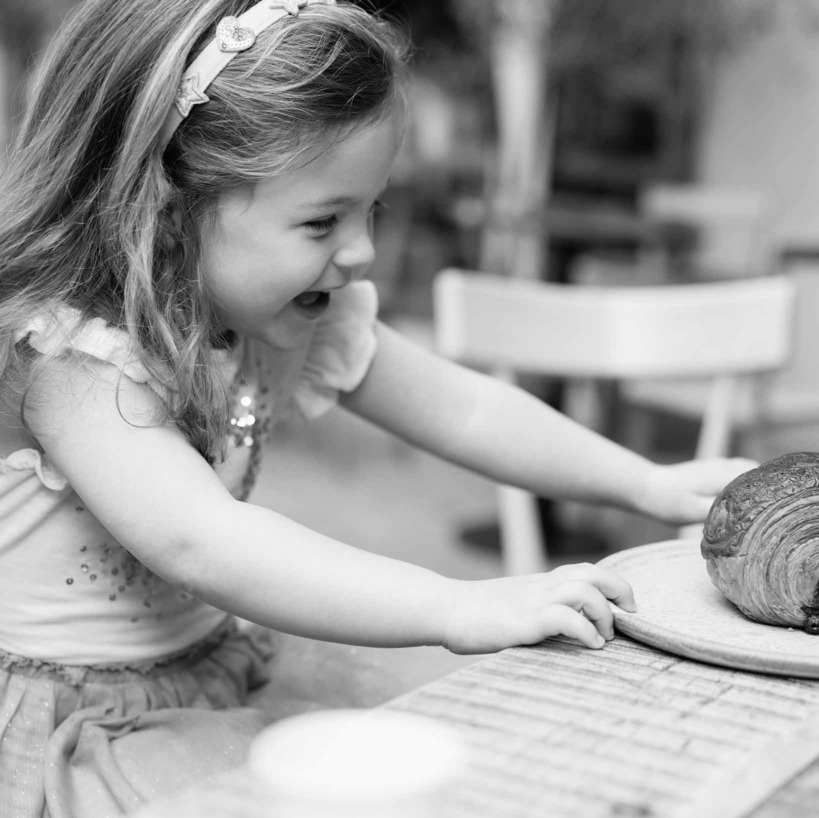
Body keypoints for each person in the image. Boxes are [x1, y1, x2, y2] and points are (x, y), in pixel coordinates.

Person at [0, 1, 754, 814]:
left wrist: (643, 483)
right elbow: (199, 541)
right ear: (168, 211)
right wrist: (454, 604)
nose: (360, 252)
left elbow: (465, 410)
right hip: (78, 724)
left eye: (372, 211)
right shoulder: (70, 357)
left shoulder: (286, 319)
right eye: (323, 219)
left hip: (217, 671)